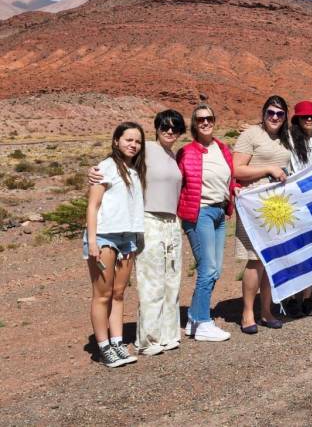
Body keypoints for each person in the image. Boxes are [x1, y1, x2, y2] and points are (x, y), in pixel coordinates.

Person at [89, 110, 187, 355]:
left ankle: (168, 333)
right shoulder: (147, 149)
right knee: (151, 280)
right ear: (156, 128)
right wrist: (92, 171)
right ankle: (149, 339)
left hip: (172, 222)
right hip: (149, 220)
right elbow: (115, 162)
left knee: (171, 279)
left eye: (175, 127)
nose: (170, 131)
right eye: (165, 126)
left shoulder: (172, 155)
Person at [84, 121, 146, 367]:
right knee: (103, 294)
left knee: (119, 293)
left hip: (127, 238)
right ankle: (103, 347)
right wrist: (91, 241)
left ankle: (117, 342)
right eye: (128, 139)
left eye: (138, 141)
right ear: (116, 141)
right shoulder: (105, 168)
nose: (133, 144)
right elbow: (93, 205)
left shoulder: (135, 170)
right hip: (104, 237)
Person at [233, 96, 292, 333]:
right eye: (271, 112)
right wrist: (268, 168)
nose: (275, 117)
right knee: (255, 258)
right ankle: (248, 312)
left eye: (279, 113)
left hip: (279, 206)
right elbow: (237, 169)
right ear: (263, 113)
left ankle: (266, 311)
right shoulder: (251, 135)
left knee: (271, 260)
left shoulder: (286, 137)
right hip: (254, 204)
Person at [179, 104, 235, 342]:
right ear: (194, 124)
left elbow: (230, 179)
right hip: (198, 213)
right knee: (208, 268)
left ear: (214, 121)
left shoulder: (222, 148)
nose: (205, 122)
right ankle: (203, 321)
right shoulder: (186, 152)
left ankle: (194, 317)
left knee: (215, 269)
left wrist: (233, 197)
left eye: (209, 118)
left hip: (220, 213)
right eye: (200, 119)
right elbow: (171, 178)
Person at [285, 100, 312, 318]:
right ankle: (292, 297)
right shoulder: (290, 140)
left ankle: (308, 297)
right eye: (304, 117)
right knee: (297, 250)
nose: (308, 120)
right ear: (297, 120)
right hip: (296, 203)